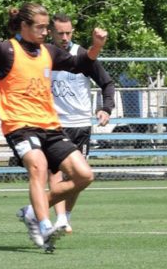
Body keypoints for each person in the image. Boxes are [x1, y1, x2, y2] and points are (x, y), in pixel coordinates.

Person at [0, 2, 108, 252]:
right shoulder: (5, 50)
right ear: (24, 26)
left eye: (46, 28)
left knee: (84, 176)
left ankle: (32, 210)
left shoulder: (49, 52)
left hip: (50, 126)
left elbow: (81, 64)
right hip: (19, 125)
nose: (44, 32)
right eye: (40, 28)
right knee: (38, 167)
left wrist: (96, 46)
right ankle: (43, 226)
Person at [42, 13, 115, 234]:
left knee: (77, 177)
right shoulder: (43, 55)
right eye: (60, 33)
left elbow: (107, 83)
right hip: (53, 124)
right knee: (54, 172)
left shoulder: (82, 55)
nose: (64, 37)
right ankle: (60, 218)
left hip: (81, 124)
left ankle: (66, 216)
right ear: (51, 32)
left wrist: (106, 108)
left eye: (68, 33)